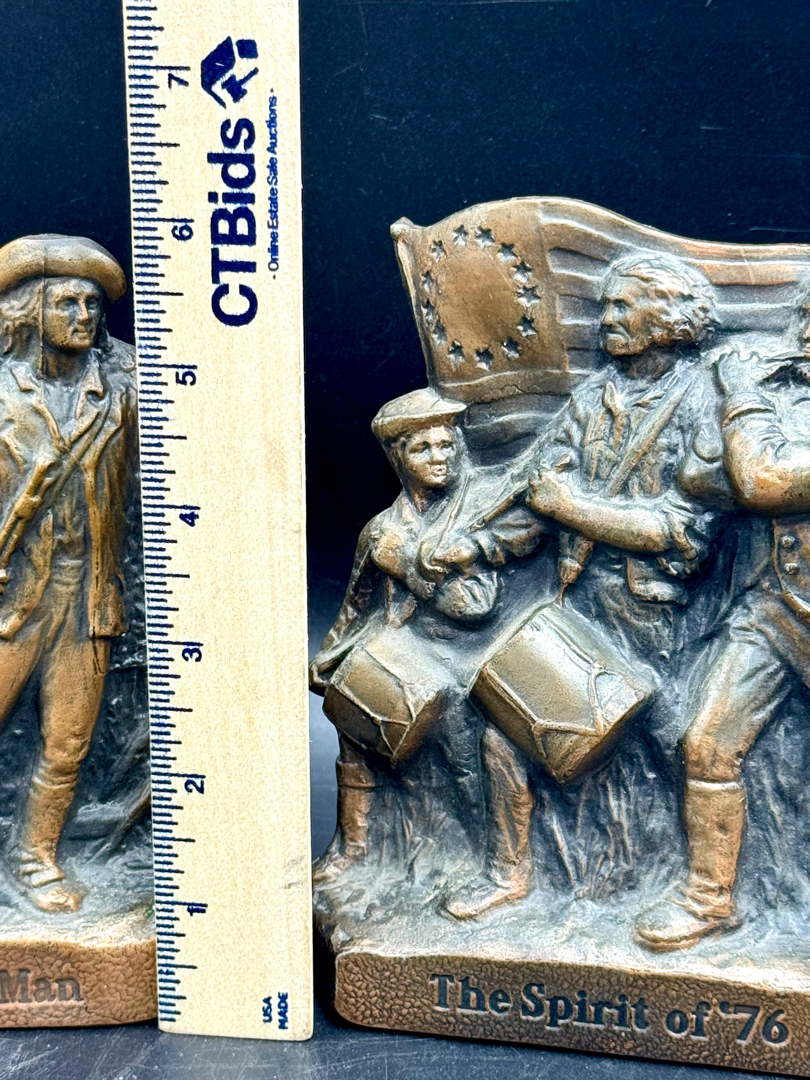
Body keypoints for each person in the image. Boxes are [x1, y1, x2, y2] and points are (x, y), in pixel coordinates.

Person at [445, 254, 731, 921]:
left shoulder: (704, 405)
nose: (605, 319)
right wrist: (478, 546)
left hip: (658, 622)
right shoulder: (592, 398)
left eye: (622, 306)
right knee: (504, 730)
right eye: (605, 307)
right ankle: (509, 875)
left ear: (668, 319)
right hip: (581, 607)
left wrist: (571, 506)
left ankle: (712, 893)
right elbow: (536, 493)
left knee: (686, 750)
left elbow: (680, 529)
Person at [310, 387, 542, 885]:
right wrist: (330, 653)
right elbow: (357, 602)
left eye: (447, 446)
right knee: (353, 722)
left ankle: (498, 866)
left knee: (482, 742)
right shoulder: (382, 528)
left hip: (475, 656)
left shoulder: (480, 507)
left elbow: (477, 605)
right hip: (408, 650)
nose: (440, 458)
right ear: (399, 458)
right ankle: (354, 847)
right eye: (423, 449)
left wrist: (411, 566)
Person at [636, 289, 810, 950]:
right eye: (807, 317)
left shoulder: (758, 397)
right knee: (708, 744)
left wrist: (739, 392)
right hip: (775, 607)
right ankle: (710, 900)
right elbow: (702, 478)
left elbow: (765, 480)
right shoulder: (788, 393)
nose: (807, 333)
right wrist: (749, 407)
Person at [0, 234, 136, 913]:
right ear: (31, 311)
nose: (84, 316)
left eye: (92, 304)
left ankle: (36, 859)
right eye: (67, 303)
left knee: (67, 743)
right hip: (12, 599)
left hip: (88, 596)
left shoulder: (120, 391)